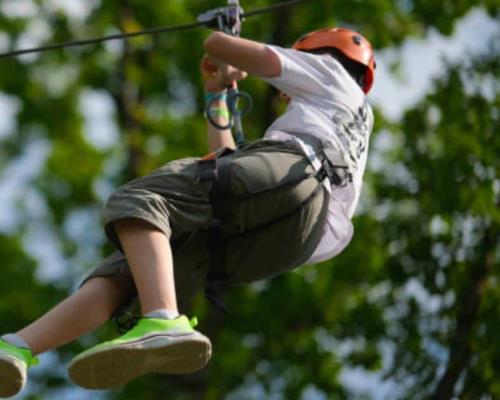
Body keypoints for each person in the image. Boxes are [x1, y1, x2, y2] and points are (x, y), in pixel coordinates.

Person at [0, 27, 375, 396]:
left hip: (298, 174)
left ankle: (162, 318)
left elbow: (219, 44)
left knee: (142, 199)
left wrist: (224, 47)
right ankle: (17, 346)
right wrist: (218, 95)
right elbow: (225, 164)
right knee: (130, 271)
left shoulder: (328, 72)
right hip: (294, 238)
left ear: (318, 54)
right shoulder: (341, 120)